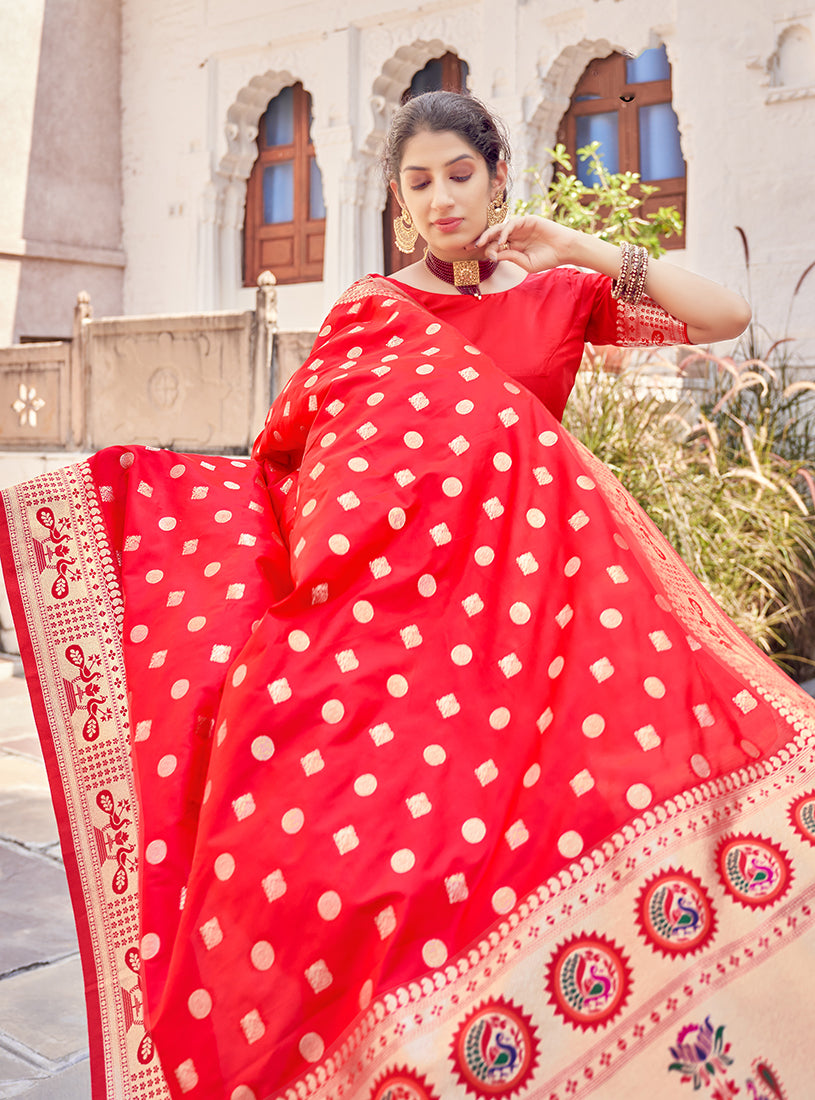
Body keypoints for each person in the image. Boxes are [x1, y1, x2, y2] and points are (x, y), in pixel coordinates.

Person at [1, 89, 813, 1100]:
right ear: (394, 197)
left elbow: (725, 317)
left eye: (459, 176)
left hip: (521, 641)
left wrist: (582, 248)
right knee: (333, 864)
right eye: (417, 183)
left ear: (498, 178)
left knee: (509, 853)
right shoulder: (367, 314)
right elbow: (297, 463)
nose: (440, 201)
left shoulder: (553, 299)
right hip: (381, 629)